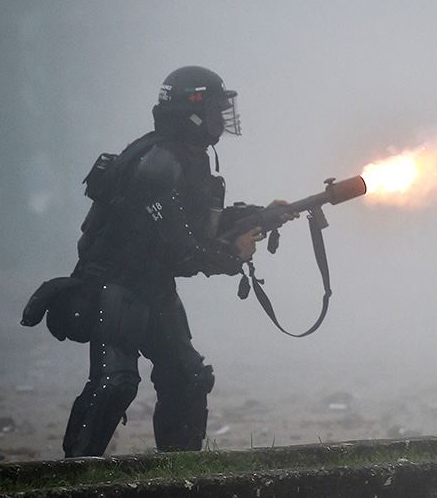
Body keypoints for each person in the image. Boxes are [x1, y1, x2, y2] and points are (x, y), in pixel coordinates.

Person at [61, 66, 293, 457]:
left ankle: (180, 471)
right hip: (116, 285)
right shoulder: (159, 164)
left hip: (152, 284)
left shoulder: (185, 157)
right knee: (115, 382)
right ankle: (73, 479)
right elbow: (181, 249)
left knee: (187, 378)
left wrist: (262, 214)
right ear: (194, 110)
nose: (223, 116)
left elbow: (200, 225)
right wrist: (232, 254)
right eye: (217, 107)